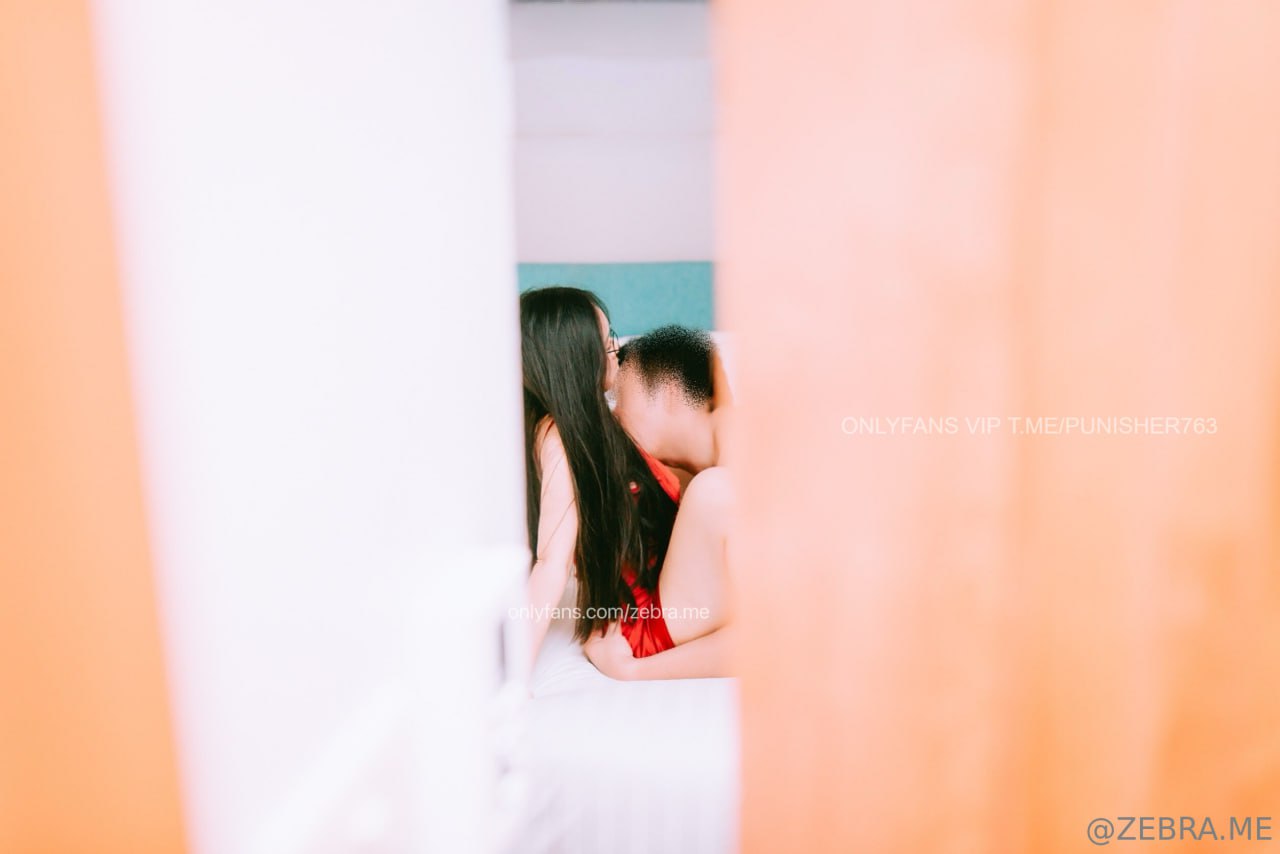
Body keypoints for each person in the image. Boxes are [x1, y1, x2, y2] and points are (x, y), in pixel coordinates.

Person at [520, 292, 733, 680]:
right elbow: (551, 562)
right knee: (717, 490)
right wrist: (516, 675)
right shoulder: (558, 436)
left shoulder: (606, 432)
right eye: (605, 343)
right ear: (574, 356)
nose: (615, 350)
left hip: (673, 602)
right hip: (645, 626)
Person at [582, 325, 737, 679]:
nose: (615, 416)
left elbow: (772, 632)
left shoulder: (728, 472)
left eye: (620, 399)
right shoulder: (685, 477)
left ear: (669, 392)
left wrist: (634, 671)